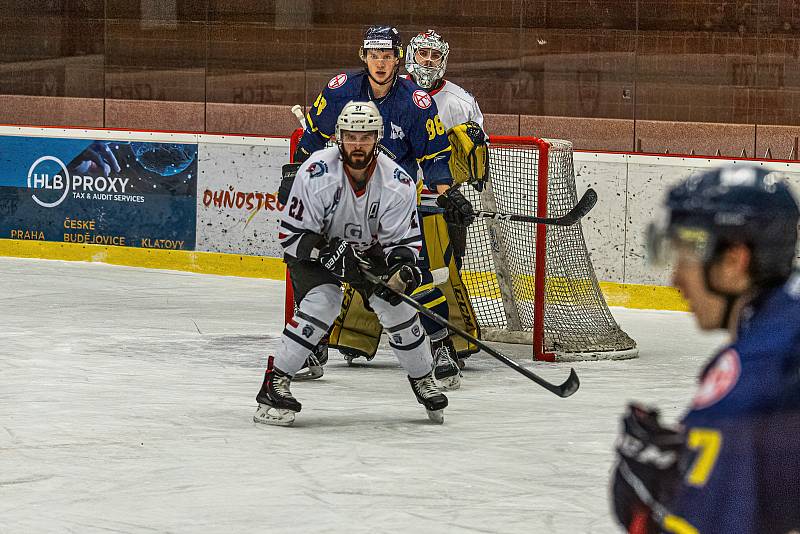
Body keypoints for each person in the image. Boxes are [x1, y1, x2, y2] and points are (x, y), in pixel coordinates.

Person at [611, 165, 800, 533]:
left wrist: (655, 521)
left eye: (686, 256)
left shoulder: (756, 374)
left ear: (734, 261)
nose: (675, 278)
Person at [288, 25, 477, 390]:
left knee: (413, 274)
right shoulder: (341, 88)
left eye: (387, 56)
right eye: (374, 55)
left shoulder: (415, 102)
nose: (380, 62)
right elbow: (311, 139)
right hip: (344, 199)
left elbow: (435, 157)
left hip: (392, 203)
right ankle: (312, 345)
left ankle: (440, 347)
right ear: (364, 56)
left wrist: (448, 195)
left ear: (397, 57)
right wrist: (297, 178)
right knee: (316, 269)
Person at [255, 101, 448, 427]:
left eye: (365, 137)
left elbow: (403, 243)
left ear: (377, 138)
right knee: (324, 302)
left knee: (397, 308)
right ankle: (275, 383)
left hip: (367, 253)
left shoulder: (397, 183)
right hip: (314, 252)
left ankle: (423, 378)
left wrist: (401, 268)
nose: (357, 144)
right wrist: (327, 251)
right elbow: (291, 236)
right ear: (339, 137)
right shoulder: (316, 171)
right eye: (351, 136)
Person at [405, 29, 490, 370]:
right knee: (376, 269)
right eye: (422, 53)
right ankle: (352, 335)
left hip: (439, 203)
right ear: (411, 55)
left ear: (443, 60)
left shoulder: (460, 101)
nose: (428, 60)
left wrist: (456, 189)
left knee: (441, 273)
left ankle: (455, 340)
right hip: (392, 203)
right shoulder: (393, 94)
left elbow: (477, 151)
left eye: (434, 55)